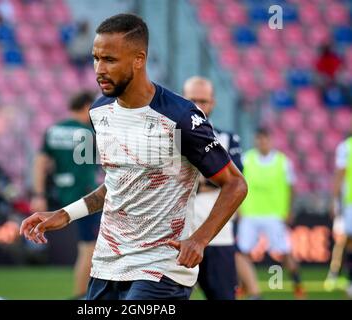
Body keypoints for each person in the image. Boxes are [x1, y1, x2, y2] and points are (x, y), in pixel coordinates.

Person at [20, 13, 248, 300]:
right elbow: (118, 184)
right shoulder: (100, 112)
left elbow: (235, 184)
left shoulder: (180, 116)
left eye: (110, 60)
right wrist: (65, 215)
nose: (99, 69)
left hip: (162, 268)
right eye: (95, 58)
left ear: (139, 59)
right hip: (108, 264)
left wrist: (200, 239)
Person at [30, 91, 101, 299]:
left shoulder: (54, 131)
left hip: (65, 196)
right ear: (87, 106)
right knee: (90, 249)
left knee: (87, 247)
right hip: (88, 197)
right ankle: (81, 296)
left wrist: (39, 193)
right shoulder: (89, 132)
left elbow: (40, 163)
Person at [183, 76, 243, 300]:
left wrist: (195, 181)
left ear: (213, 103)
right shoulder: (169, 138)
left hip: (217, 236)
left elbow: (236, 181)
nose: (198, 106)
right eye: (192, 100)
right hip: (177, 236)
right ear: (182, 100)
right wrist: (214, 179)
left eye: (204, 101)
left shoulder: (227, 139)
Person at [237, 128, 305, 299]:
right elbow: (237, 185)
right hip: (250, 213)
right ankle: (245, 285)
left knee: (285, 251)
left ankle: (297, 284)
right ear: (255, 141)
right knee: (241, 252)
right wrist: (239, 209)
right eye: (259, 139)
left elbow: (291, 188)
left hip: (274, 215)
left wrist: (289, 210)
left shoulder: (283, 162)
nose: (262, 143)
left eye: (265, 139)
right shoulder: (247, 159)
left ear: (271, 140)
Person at [329, 134, 352, 297]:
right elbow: (340, 175)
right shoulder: (346, 147)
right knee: (345, 240)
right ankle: (338, 273)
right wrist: (336, 202)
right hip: (349, 203)